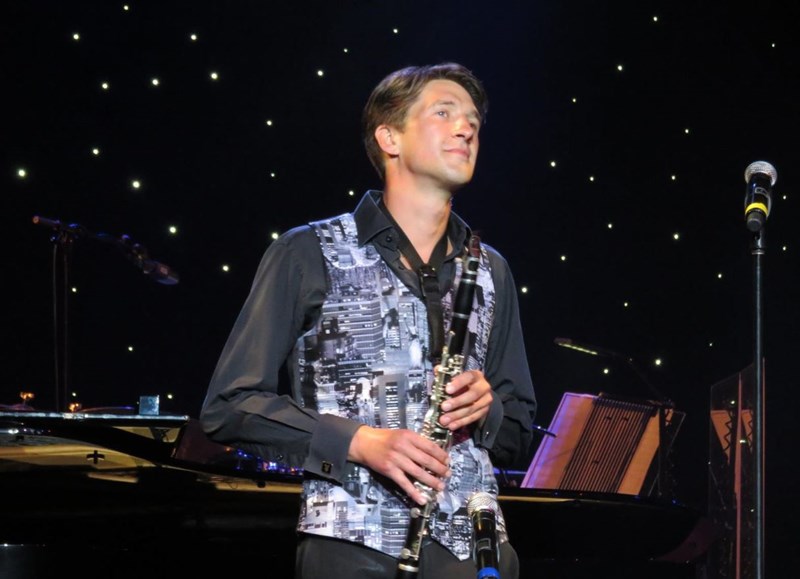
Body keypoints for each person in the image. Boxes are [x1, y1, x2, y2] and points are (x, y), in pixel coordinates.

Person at [200, 62, 537, 579]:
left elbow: (517, 430)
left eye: (472, 120)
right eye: (444, 113)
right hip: (352, 545)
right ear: (389, 137)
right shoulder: (306, 252)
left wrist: (486, 409)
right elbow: (230, 406)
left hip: (475, 550)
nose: (465, 128)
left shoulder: (491, 269)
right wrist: (356, 441)